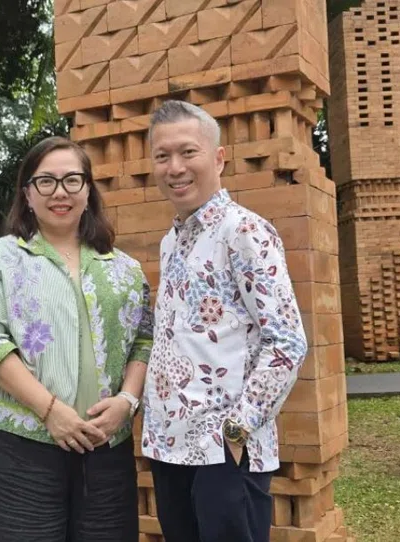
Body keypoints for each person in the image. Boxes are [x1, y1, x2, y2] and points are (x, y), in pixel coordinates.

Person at [0, 136, 153, 542]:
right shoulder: (1, 259)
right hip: (21, 446)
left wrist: (127, 401)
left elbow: (144, 340)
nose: (60, 192)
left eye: (72, 180)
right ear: (27, 194)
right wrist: (51, 411)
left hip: (106, 448)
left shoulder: (124, 269)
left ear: (88, 190)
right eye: (45, 181)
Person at [141, 99, 309, 542]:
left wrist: (237, 429)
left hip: (225, 451)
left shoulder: (244, 231)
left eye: (187, 152)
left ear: (218, 158)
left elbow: (287, 341)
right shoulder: (169, 241)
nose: (175, 167)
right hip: (171, 448)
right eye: (162, 156)